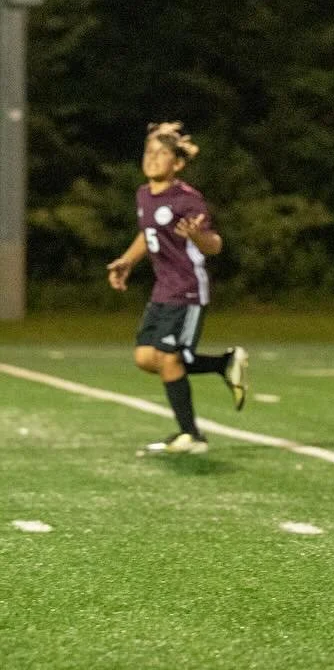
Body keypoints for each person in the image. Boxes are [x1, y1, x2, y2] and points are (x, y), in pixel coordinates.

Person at [106, 123, 248, 455]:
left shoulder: (187, 199)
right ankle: (223, 364)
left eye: (162, 153)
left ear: (178, 163)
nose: (152, 158)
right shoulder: (143, 194)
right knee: (146, 358)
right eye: (149, 152)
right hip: (162, 290)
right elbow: (148, 234)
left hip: (187, 290)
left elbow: (214, 245)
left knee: (169, 359)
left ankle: (191, 435)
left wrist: (196, 235)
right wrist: (127, 261)